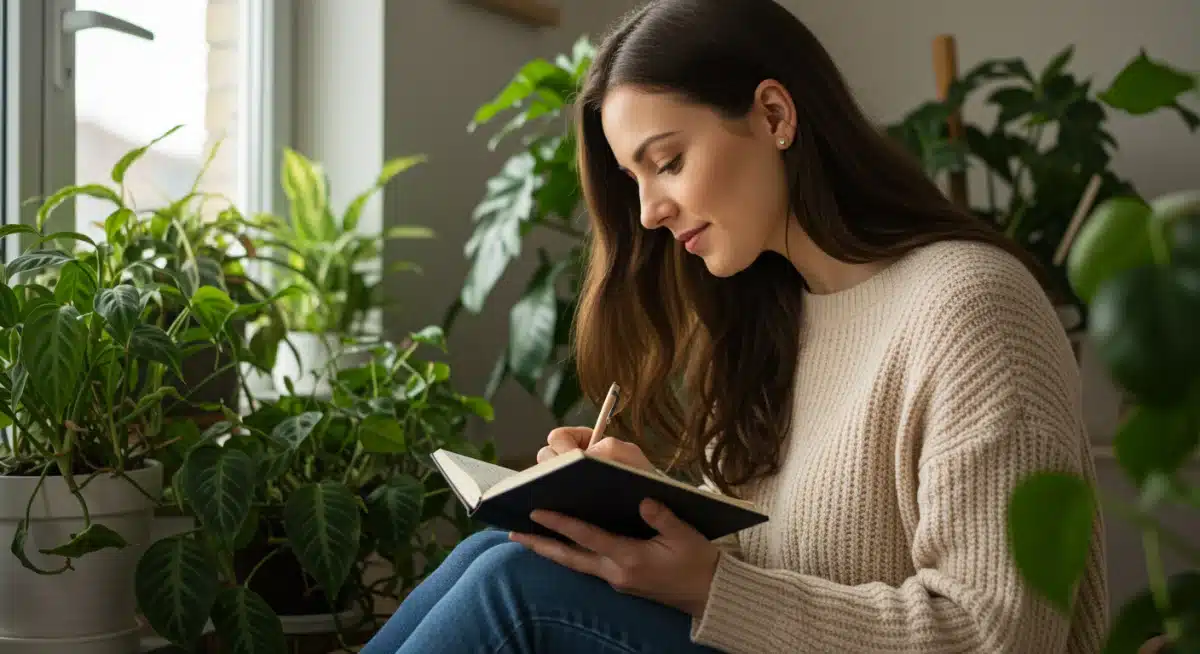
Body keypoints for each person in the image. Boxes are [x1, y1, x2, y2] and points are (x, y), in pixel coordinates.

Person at [361, 0, 1109, 651]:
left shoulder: (974, 308)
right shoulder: (774, 316)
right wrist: (642, 508)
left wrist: (712, 585)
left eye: (668, 162)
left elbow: (998, 635)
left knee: (513, 588)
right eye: (634, 179)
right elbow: (772, 569)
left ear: (774, 116)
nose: (648, 212)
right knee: (501, 551)